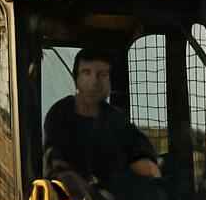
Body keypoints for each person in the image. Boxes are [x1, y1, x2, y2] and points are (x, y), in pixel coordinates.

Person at [43, 48, 161, 183]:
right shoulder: (60, 115)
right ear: (76, 79)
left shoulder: (116, 118)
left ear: (111, 81)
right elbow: (58, 168)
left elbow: (143, 156)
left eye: (102, 74)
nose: (94, 82)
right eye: (86, 73)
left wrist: (144, 162)